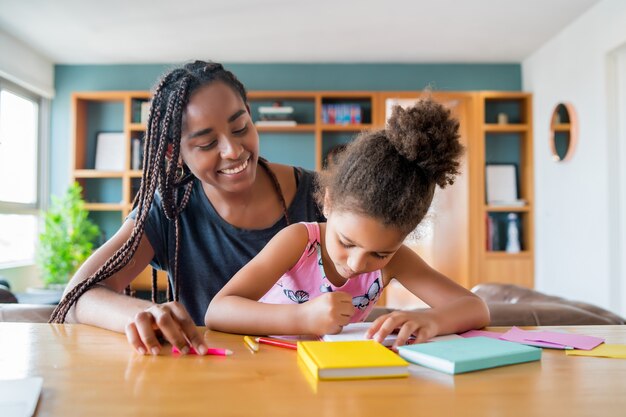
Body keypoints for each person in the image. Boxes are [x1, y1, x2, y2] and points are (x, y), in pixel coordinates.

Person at [49, 60, 324, 356]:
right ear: (174, 152)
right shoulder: (170, 209)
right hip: (204, 381)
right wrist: (143, 314)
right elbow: (77, 298)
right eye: (206, 143)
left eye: (241, 127)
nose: (233, 150)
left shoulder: (321, 195)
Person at [206, 98, 490, 348]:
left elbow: (476, 308)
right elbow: (218, 311)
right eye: (347, 242)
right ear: (328, 203)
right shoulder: (299, 242)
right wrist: (301, 317)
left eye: (380, 253)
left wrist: (431, 320)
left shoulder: (397, 261)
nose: (356, 264)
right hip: (269, 370)